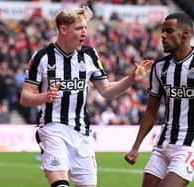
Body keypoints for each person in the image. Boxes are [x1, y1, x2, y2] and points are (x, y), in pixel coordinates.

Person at [20, 6, 152, 187]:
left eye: (85, 28)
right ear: (63, 29)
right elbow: (25, 97)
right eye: (78, 28)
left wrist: (130, 79)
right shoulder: (42, 57)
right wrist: (44, 97)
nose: (84, 33)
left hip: (82, 134)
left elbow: (106, 90)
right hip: (53, 129)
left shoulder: (89, 55)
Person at [124, 12, 194, 187]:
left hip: (191, 145)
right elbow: (151, 110)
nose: (163, 35)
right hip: (164, 143)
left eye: (169, 31)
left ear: (185, 34)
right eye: (162, 31)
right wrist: (135, 147)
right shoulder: (159, 68)